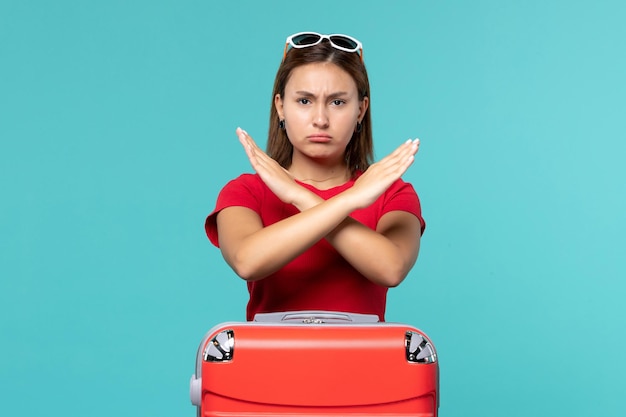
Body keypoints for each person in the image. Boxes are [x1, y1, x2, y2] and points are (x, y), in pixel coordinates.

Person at [205, 32, 425, 321]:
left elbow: (391, 268)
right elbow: (247, 261)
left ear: (361, 110)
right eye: (305, 101)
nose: (320, 119)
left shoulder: (391, 193)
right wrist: (351, 200)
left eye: (337, 102)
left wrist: (300, 196)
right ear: (281, 107)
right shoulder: (246, 191)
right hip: (267, 363)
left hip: (365, 363)